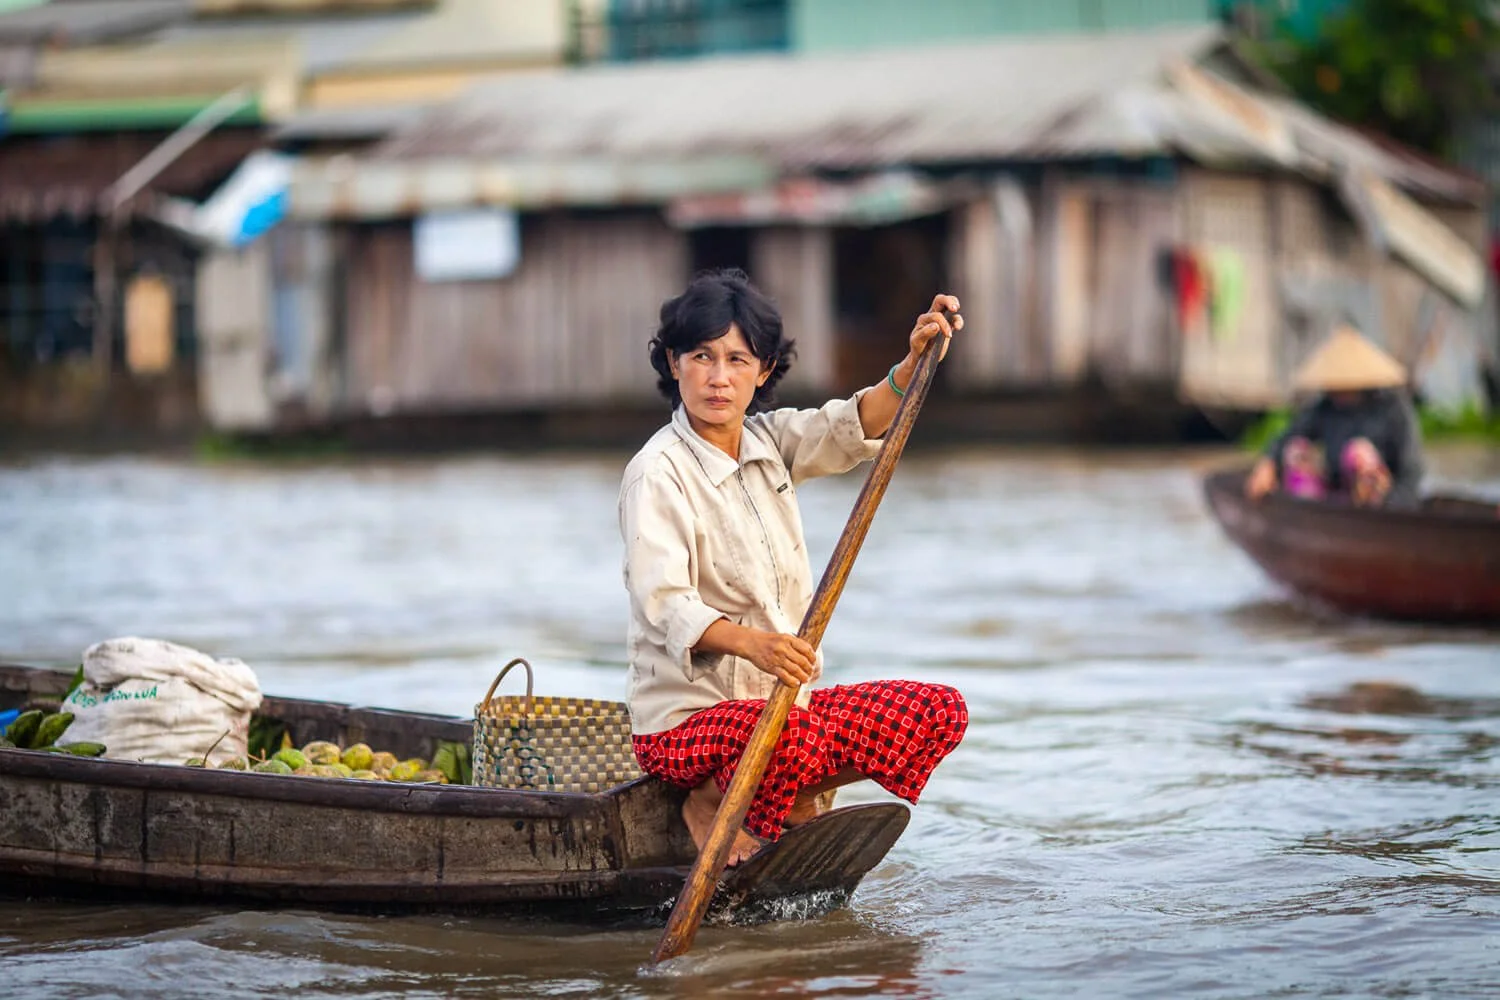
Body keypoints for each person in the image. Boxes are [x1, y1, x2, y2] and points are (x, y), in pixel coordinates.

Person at [619, 269, 969, 866]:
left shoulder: (768, 444)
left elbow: (848, 426)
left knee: (936, 709)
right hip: (682, 725)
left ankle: (792, 795)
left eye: (737, 359)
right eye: (701, 357)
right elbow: (665, 603)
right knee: (795, 738)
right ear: (674, 364)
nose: (719, 377)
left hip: (781, 711)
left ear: (762, 371)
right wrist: (753, 644)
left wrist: (908, 370)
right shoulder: (658, 472)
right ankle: (710, 802)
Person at [1245, 324, 1425, 509]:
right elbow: (1289, 435)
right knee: (1296, 450)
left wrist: (1391, 502)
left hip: (1384, 500)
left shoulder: (1392, 409)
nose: (1336, 391)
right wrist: (1269, 463)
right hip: (1342, 499)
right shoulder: (1326, 408)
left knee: (1360, 452)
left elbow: (1411, 472)